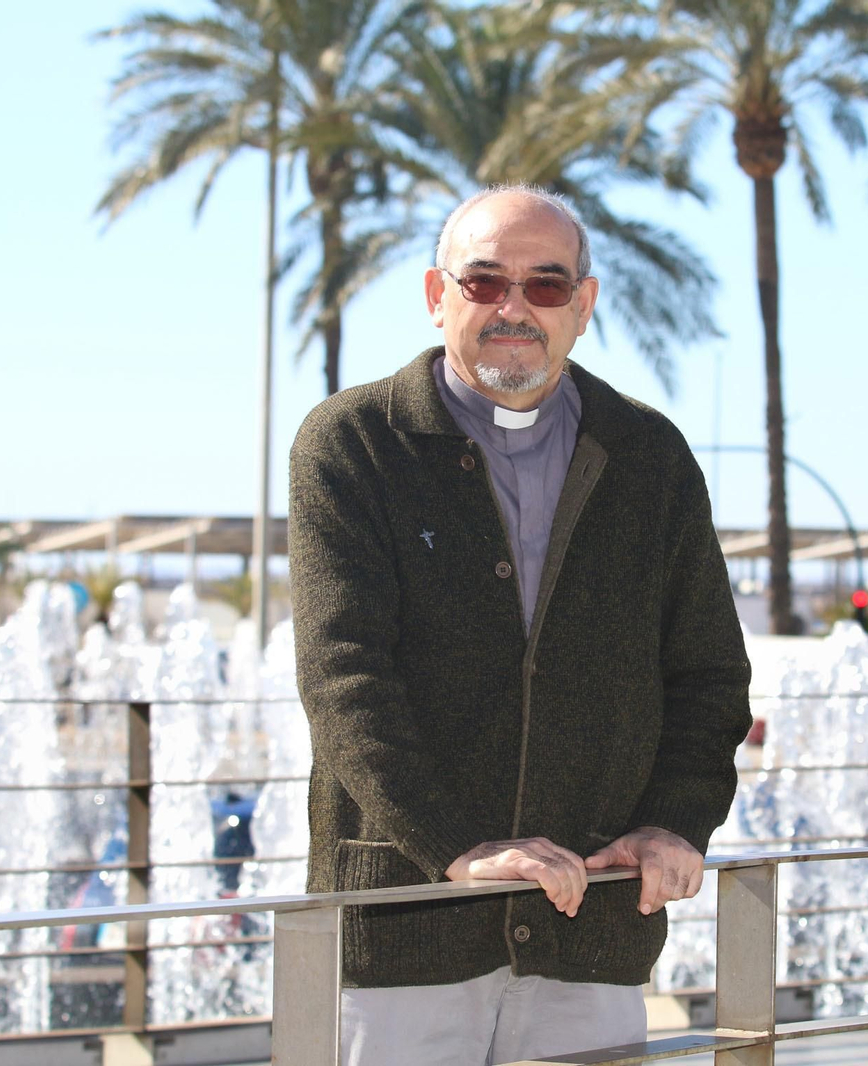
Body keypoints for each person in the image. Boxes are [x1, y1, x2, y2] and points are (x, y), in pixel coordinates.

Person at [288, 184, 751, 1065]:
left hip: (596, 929)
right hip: (404, 934)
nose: (514, 308)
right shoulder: (353, 443)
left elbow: (708, 678)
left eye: (545, 286)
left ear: (584, 304)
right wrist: (459, 848)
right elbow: (343, 676)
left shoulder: (650, 458)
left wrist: (675, 821)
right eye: (484, 281)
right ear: (437, 297)